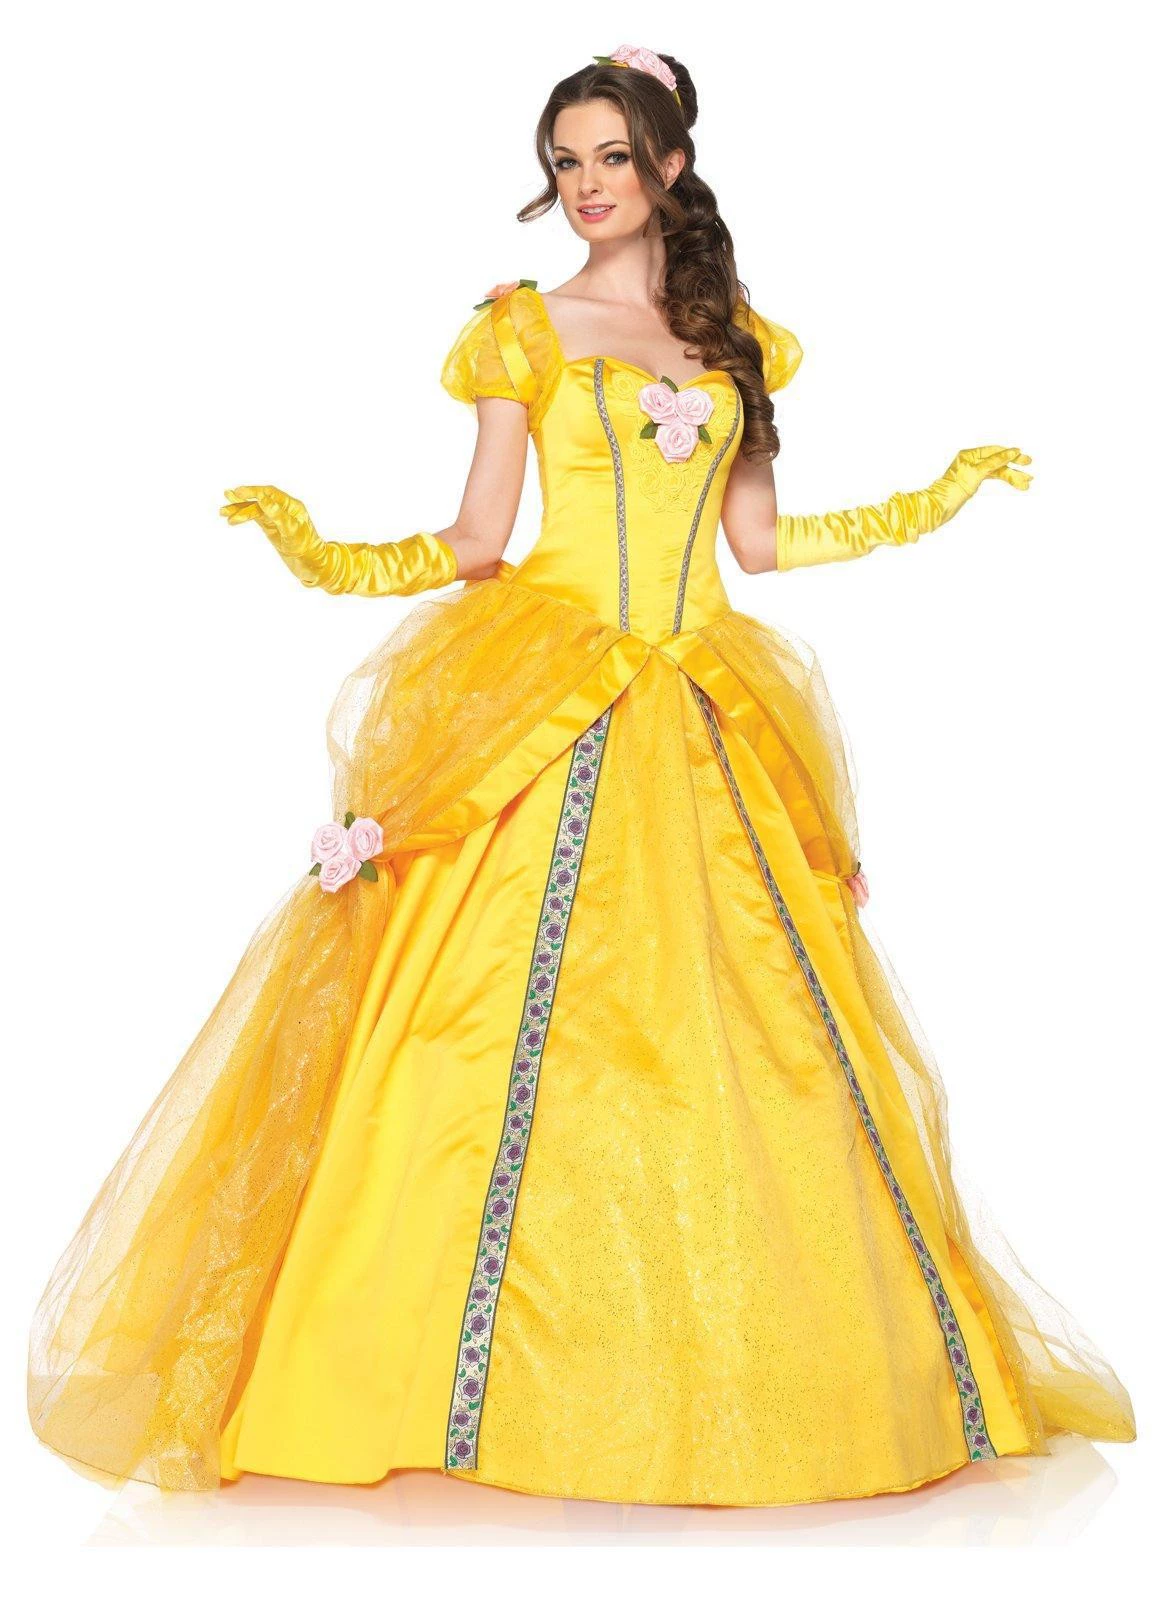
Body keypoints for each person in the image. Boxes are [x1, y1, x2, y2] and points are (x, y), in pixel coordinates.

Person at [28, 45, 1135, 1509]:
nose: (588, 184)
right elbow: (479, 540)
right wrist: (315, 551)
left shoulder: (736, 337)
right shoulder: (522, 330)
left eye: (613, 155)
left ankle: (764, 1372)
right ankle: (412, 1375)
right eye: (565, 161)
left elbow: (758, 545)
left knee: (750, 1033)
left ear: (671, 164)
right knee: (475, 1032)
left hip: (705, 707)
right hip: (553, 701)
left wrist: (936, 500)